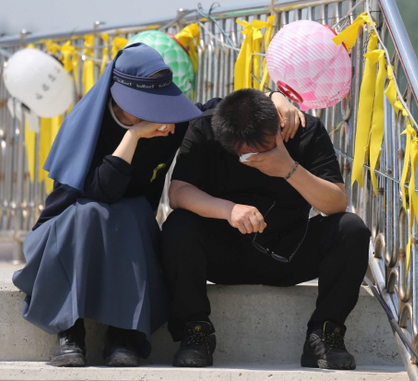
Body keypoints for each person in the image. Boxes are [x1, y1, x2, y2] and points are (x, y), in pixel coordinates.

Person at [12, 43, 304, 368]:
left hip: (128, 229)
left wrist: (272, 97)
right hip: (70, 229)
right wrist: (134, 135)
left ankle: (124, 335)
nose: (152, 111)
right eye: (142, 104)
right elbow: (101, 191)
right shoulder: (87, 124)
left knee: (134, 211)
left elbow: (216, 111)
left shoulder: (170, 123)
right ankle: (69, 331)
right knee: (91, 212)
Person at [161, 88, 370, 370]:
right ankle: (195, 332)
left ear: (279, 126)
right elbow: (178, 193)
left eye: (263, 147)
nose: (254, 157)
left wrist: (289, 168)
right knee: (178, 225)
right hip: (222, 253)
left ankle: (325, 334)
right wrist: (228, 210)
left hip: (288, 251)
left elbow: (336, 203)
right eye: (243, 153)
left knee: (351, 229)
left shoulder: (305, 130)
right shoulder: (205, 127)